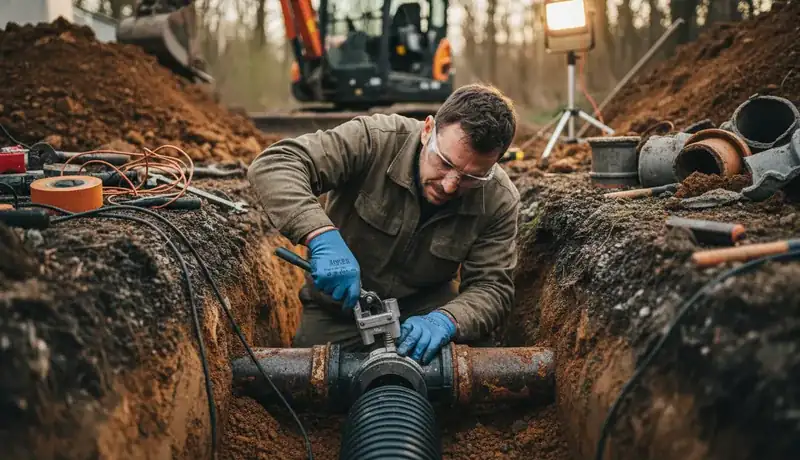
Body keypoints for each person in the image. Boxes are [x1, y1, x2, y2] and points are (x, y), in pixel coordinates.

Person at [247, 83, 520, 365]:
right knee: (302, 388)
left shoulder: (499, 199)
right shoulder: (374, 139)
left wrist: (446, 321)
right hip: (340, 313)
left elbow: (492, 288)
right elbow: (276, 163)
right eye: (444, 163)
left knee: (471, 379)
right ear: (428, 130)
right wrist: (320, 236)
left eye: (471, 178)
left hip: (423, 317)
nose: (450, 185)